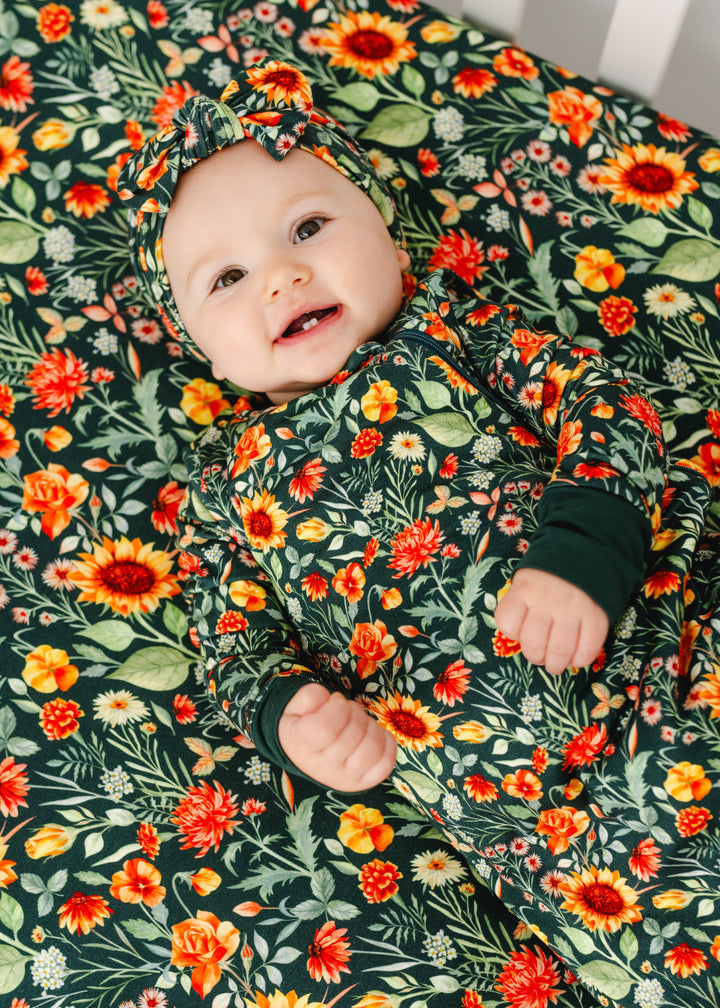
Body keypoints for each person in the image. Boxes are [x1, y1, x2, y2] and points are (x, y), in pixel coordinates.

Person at [119, 59, 720, 1003]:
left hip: (659, 670)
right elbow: (231, 649)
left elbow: (613, 415)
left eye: (310, 228)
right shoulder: (222, 489)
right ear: (198, 343)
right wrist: (289, 716)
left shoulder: (456, 337)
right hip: (543, 835)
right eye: (227, 278)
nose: (282, 275)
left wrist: (582, 559)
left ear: (390, 238)